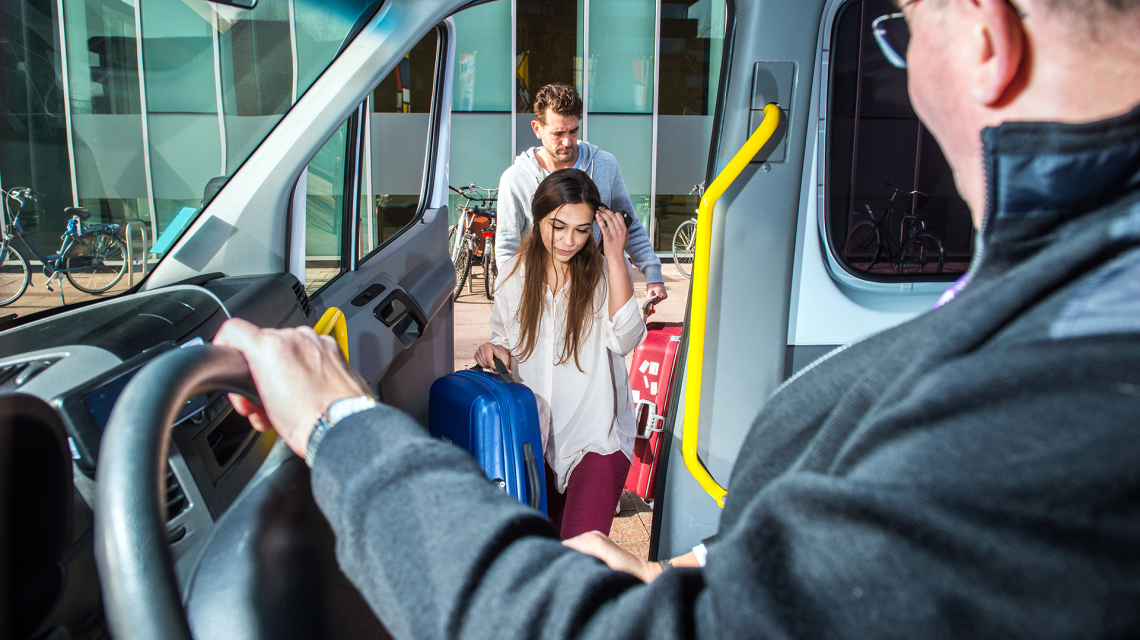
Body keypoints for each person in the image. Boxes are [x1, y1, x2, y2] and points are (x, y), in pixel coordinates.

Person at [215, 0, 1140, 636]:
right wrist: (694, 573)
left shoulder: (1066, 393)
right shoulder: (1070, 304)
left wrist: (341, 423)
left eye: (901, 31)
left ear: (985, 39)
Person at [472, 169, 645, 541]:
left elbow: (627, 338)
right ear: (539, 217)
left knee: (581, 556)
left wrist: (615, 258)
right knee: (543, 557)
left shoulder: (603, 273)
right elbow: (504, 340)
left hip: (596, 439)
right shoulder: (513, 277)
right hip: (533, 443)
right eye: (559, 226)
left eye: (582, 230)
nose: (569, 240)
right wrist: (494, 351)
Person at [495, 83, 668, 304]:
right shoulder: (516, 178)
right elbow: (507, 245)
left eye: (573, 131)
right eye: (558, 133)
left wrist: (653, 274)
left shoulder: (605, 165)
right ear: (537, 129)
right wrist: (509, 298)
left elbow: (628, 224)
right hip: (544, 294)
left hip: (598, 289)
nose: (567, 142)